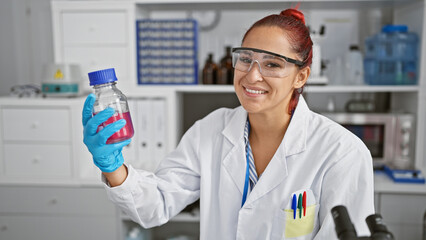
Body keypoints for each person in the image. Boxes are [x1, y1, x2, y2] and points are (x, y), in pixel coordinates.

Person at [82, 8, 374, 239]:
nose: (251, 76)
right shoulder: (210, 130)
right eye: (245, 59)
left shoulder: (341, 153)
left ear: (301, 76)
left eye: (272, 64)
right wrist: (112, 166)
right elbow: (156, 204)